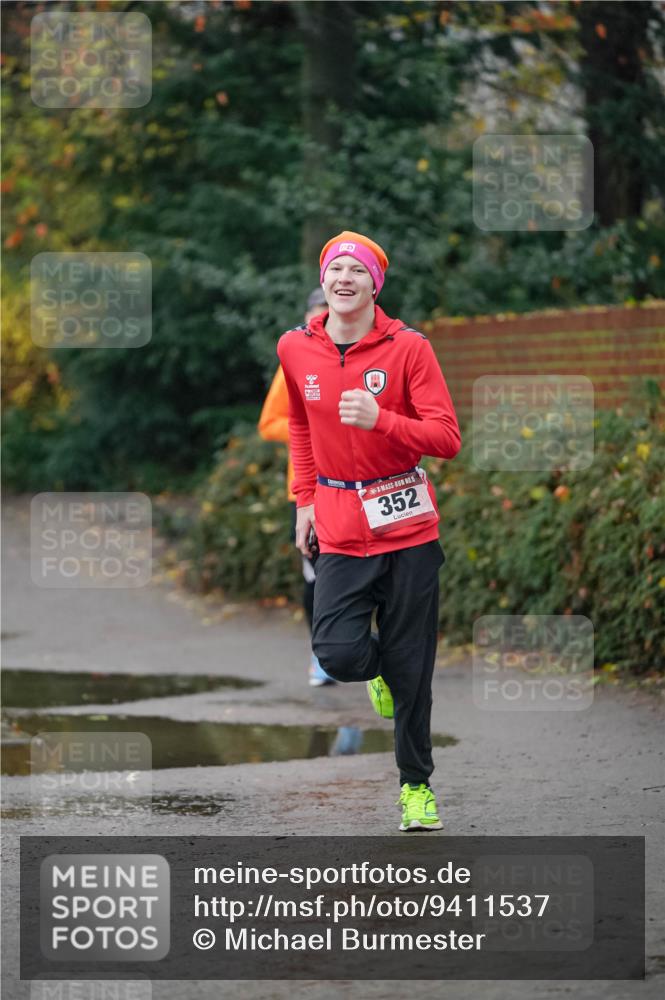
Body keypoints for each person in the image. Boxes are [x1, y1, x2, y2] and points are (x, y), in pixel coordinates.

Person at [277, 230, 461, 831]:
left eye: (358, 270)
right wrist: (304, 499)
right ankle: (378, 670)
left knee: (415, 669)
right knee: (336, 650)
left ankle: (416, 788)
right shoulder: (295, 348)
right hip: (337, 523)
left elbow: (446, 438)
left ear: (374, 285)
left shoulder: (409, 348)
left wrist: (384, 419)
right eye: (336, 269)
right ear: (324, 280)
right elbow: (302, 430)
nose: (345, 278)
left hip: (406, 526)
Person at [258, 287, 336, 687]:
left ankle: (362, 651)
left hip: (357, 486)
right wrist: (305, 429)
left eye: (330, 314)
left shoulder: (358, 355)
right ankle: (321, 654)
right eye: (317, 315)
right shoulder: (294, 360)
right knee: (318, 577)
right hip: (307, 490)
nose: (322, 322)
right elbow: (269, 422)